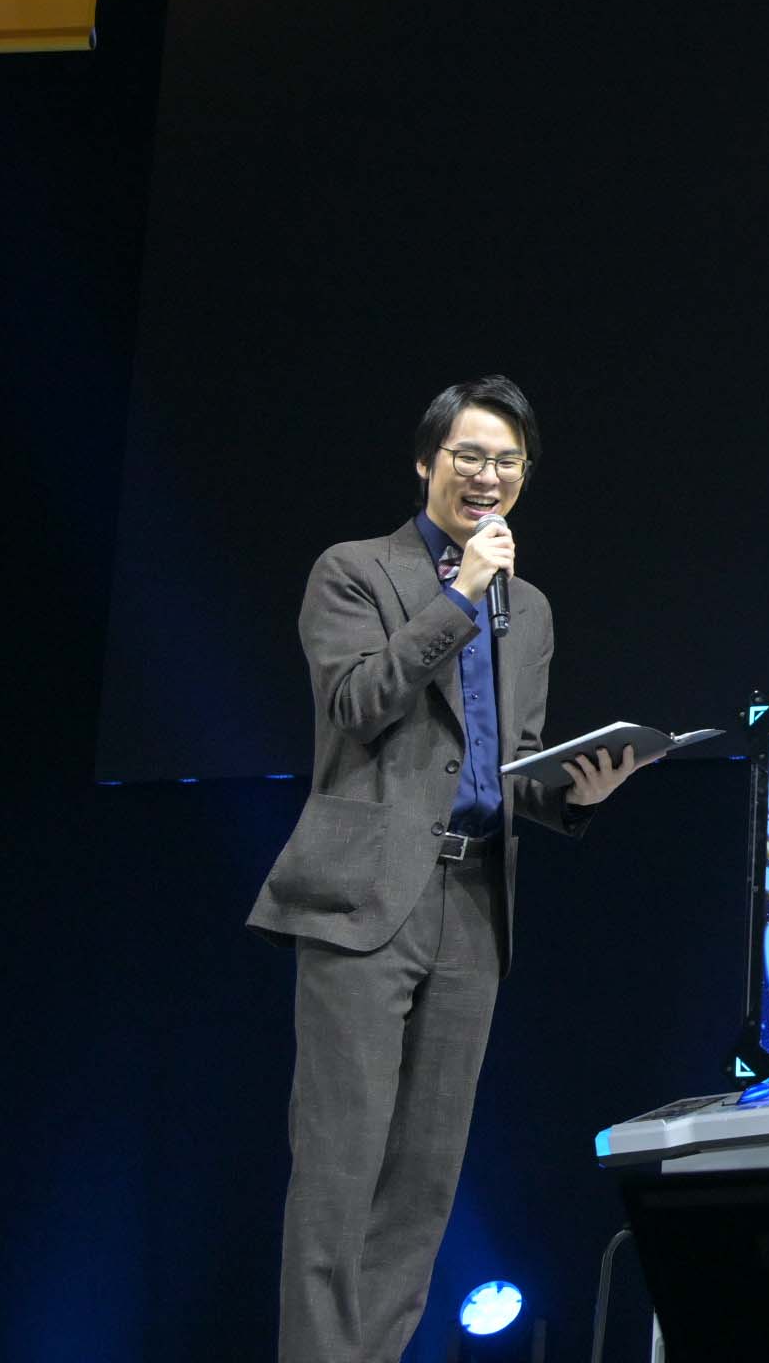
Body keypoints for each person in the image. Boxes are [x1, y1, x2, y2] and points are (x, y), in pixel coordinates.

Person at [250, 377, 648, 1363]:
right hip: (364, 901)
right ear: (427, 461)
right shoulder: (355, 571)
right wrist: (459, 593)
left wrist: (575, 794)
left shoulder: (532, 609)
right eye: (470, 455)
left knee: (425, 1181)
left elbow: (513, 757)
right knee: (340, 1167)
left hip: (474, 905)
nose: (489, 476)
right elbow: (358, 703)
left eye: (508, 462)